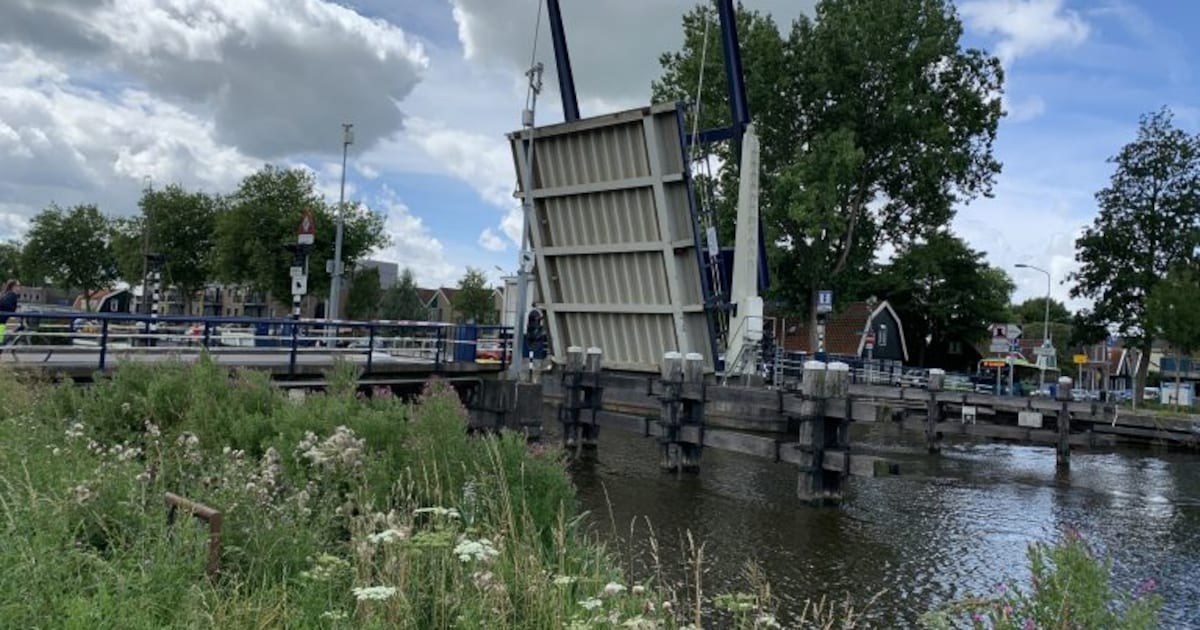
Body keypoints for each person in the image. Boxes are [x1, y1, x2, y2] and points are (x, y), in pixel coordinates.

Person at [0, 279, 20, 346]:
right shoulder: (12, 296)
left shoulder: (7, 294)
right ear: (13, 287)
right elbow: (6, 305)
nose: (19, 288)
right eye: (18, 286)